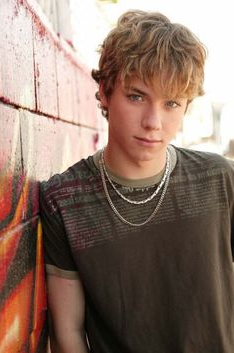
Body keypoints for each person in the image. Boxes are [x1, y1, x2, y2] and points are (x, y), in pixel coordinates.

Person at [40, 10, 234, 353]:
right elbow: (67, 332)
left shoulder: (218, 179)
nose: (153, 122)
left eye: (172, 103)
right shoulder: (65, 200)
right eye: (136, 96)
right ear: (104, 91)